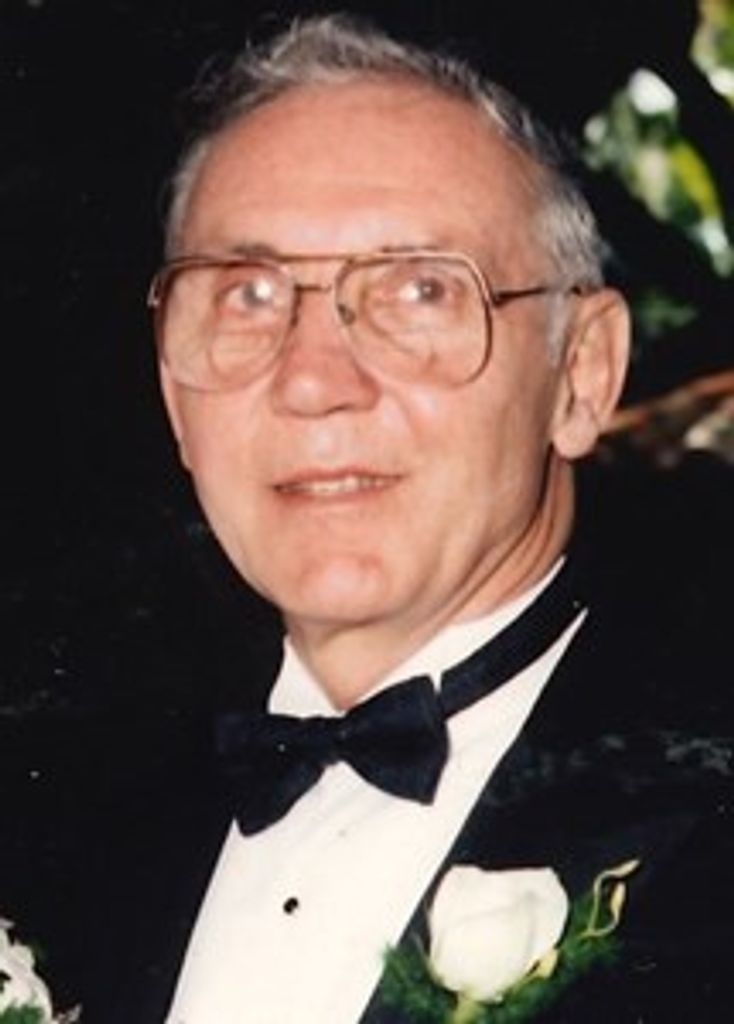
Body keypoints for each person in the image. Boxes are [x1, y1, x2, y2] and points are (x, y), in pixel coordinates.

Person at [3, 13, 733, 1024]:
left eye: (420, 290)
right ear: (175, 394)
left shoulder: (706, 819)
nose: (311, 381)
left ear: (580, 374)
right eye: (247, 295)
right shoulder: (58, 820)